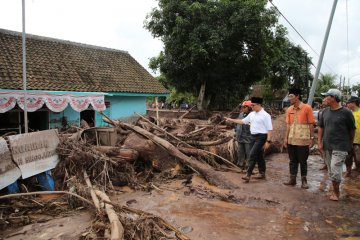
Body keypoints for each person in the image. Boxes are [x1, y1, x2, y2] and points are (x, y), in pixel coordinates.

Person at [318, 89, 355, 201]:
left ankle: (336, 192)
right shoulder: (324, 112)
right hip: (328, 146)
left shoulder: (347, 113)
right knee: (331, 171)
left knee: (335, 169)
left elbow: (352, 130)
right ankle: (335, 187)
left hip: (341, 146)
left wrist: (350, 143)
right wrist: (319, 142)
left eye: (326, 96)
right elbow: (321, 127)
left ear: (333, 98)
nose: (324, 99)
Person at [225, 97, 273, 183]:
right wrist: (231, 120)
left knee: (252, 154)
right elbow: (243, 121)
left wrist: (268, 141)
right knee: (259, 156)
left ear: (259, 105)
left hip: (261, 137)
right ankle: (262, 173)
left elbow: (269, 129)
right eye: (251, 105)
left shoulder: (266, 115)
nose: (252, 107)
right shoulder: (252, 114)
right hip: (252, 136)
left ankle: (248, 174)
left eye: (253, 105)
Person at [283, 88, 315, 189]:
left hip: (303, 140)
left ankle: (304, 181)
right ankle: (292, 179)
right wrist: (285, 138)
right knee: (292, 160)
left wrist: (312, 137)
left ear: (297, 96)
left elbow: (311, 124)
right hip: (291, 139)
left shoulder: (307, 108)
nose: (289, 98)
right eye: (289, 96)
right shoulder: (289, 109)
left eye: (291, 96)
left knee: (303, 161)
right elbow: (288, 125)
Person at [235, 100, 252, 170]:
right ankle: (240, 164)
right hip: (240, 136)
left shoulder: (252, 115)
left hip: (248, 138)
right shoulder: (241, 114)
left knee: (249, 152)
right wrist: (235, 132)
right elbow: (237, 124)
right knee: (240, 151)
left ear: (249, 108)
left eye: (245, 107)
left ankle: (249, 166)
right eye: (243, 107)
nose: (243, 108)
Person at [345, 96, 360, 176]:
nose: (347, 104)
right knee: (348, 157)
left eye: (348, 103)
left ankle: (358, 170)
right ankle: (348, 171)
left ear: (353, 103)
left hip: (358, 140)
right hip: (348, 140)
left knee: (358, 158)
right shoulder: (348, 113)